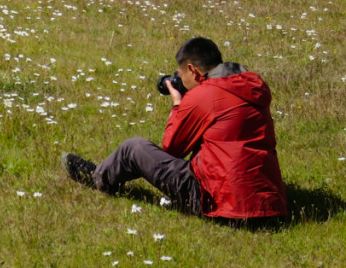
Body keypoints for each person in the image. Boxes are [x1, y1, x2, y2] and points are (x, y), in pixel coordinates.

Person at [62, 37, 288, 220]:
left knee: (134, 148)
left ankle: (97, 177)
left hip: (222, 204)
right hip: (271, 204)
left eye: (181, 76)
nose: (181, 81)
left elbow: (172, 149)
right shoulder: (252, 87)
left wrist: (179, 104)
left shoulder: (203, 95)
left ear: (192, 70)